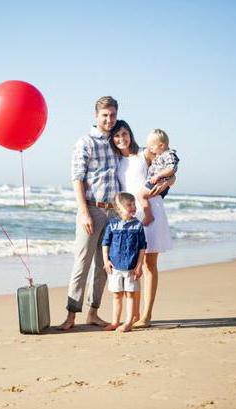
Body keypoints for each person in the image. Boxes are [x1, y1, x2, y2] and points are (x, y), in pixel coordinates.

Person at [60, 96, 120, 331]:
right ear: (96, 116)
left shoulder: (118, 142)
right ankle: (71, 315)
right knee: (81, 263)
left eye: (113, 115)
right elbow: (77, 178)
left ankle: (93, 313)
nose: (109, 119)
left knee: (104, 265)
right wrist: (84, 211)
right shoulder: (85, 142)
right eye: (105, 115)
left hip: (114, 212)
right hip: (92, 209)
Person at [109, 120, 175, 329]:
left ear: (131, 134)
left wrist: (169, 181)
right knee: (131, 264)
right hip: (130, 215)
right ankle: (134, 314)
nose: (121, 139)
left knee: (149, 264)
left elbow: (168, 167)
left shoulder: (145, 153)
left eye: (125, 134)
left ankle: (146, 316)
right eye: (117, 136)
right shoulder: (117, 159)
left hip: (151, 211)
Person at [102, 192, 147, 332]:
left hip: (131, 268)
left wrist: (139, 265)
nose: (133, 207)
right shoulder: (113, 224)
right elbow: (105, 243)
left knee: (130, 294)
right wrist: (106, 260)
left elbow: (142, 247)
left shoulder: (137, 225)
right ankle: (115, 322)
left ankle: (128, 322)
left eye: (134, 204)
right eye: (129, 205)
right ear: (119, 207)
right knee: (116, 294)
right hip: (115, 267)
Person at [141, 129, 179, 199]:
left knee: (141, 196)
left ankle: (147, 210)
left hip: (159, 183)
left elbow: (172, 168)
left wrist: (158, 175)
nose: (150, 150)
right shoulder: (159, 155)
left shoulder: (168, 154)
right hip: (156, 183)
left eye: (152, 148)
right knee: (143, 197)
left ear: (161, 145)